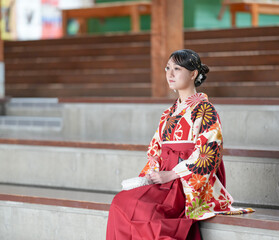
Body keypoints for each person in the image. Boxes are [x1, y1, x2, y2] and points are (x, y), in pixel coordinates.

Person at [106, 49, 254, 240]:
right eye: (167, 68)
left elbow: (208, 153)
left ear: (193, 74)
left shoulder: (205, 110)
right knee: (121, 202)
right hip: (164, 178)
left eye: (177, 68)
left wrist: (173, 174)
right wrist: (153, 175)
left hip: (187, 181)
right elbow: (155, 149)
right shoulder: (168, 113)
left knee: (148, 213)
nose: (170, 74)